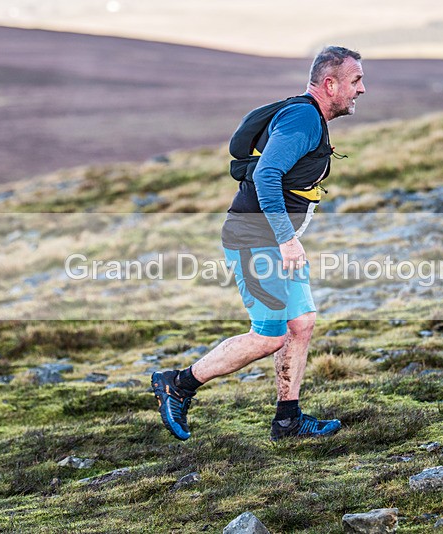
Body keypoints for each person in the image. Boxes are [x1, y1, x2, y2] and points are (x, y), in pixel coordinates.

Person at [152, 46, 365, 441]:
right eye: (356, 81)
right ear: (330, 83)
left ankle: (288, 419)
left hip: (275, 240)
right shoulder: (303, 119)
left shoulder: (309, 117)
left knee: (301, 324)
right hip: (256, 239)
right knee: (269, 334)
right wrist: (287, 241)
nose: (362, 89)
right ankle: (178, 383)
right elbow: (267, 176)